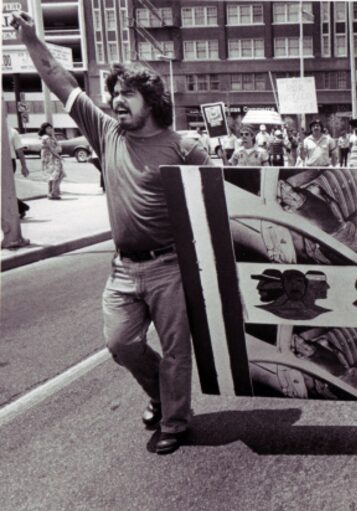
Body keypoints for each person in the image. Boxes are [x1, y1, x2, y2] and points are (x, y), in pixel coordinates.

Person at [11, 10, 213, 454]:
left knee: (177, 349)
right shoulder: (106, 133)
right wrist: (30, 38)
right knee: (120, 344)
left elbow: (220, 199)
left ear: (152, 101)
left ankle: (175, 422)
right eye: (115, 93)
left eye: (128, 94)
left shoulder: (184, 147)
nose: (117, 101)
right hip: (123, 270)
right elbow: (55, 74)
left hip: (169, 267)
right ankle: (160, 396)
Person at [7, 124, 31, 217]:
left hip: (9, 161)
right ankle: (21, 207)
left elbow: (19, 151)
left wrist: (24, 166)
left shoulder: (12, 132)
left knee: (6, 189)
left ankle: (20, 208)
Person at [38, 122, 65, 200]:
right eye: (48, 128)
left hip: (49, 158)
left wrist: (53, 135)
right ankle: (53, 193)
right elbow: (51, 148)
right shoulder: (46, 137)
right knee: (58, 174)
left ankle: (51, 193)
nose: (50, 129)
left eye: (51, 128)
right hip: (51, 158)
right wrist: (59, 157)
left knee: (52, 175)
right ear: (44, 129)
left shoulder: (49, 137)